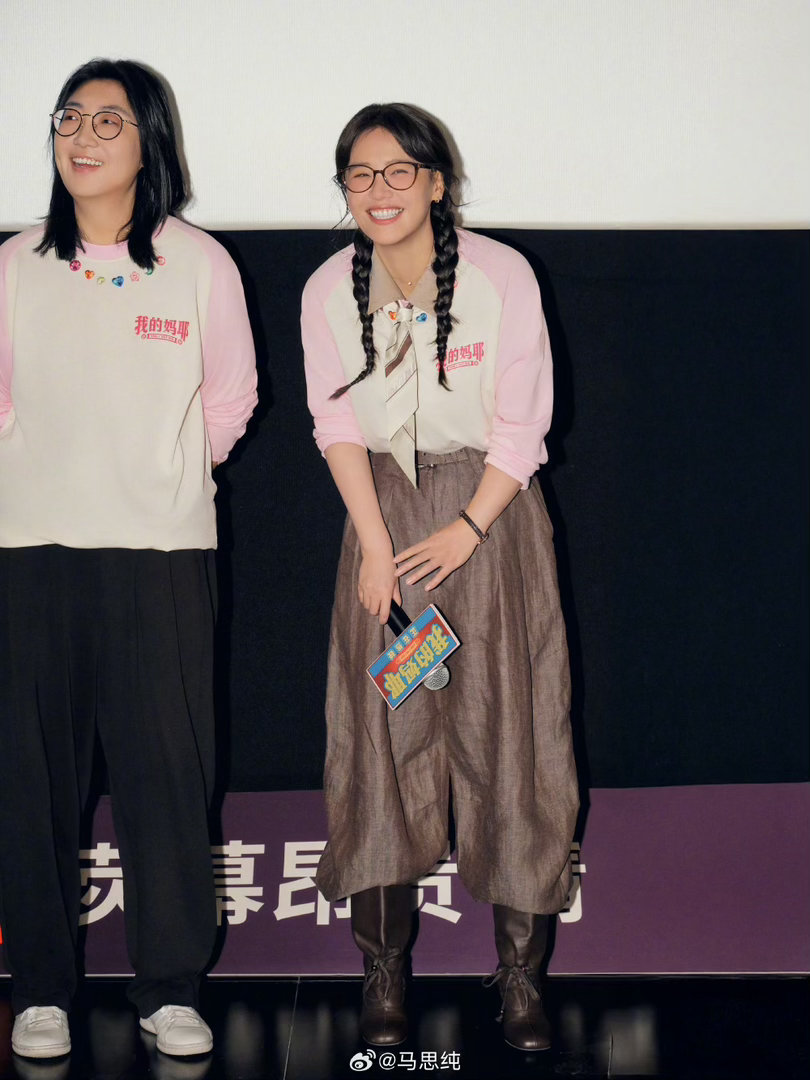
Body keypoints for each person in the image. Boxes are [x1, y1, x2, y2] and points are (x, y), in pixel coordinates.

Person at [301, 103, 579, 1052]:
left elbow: (524, 424)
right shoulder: (327, 288)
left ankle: (520, 979)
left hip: (490, 520)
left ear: (436, 182)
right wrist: (375, 545)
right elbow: (337, 426)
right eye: (360, 174)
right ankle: (383, 972)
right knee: (381, 736)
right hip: (383, 518)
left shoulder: (501, 275)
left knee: (513, 732)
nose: (378, 191)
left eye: (398, 171)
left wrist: (467, 527)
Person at [0, 59, 257, 1060]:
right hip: (31, 551)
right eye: (69, 118)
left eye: (108, 120)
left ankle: (169, 986)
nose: (83, 136)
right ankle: (41, 988)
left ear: (151, 141)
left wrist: (168, 473)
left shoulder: (198, 263)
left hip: (161, 553)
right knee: (30, 778)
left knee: (168, 773)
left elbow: (230, 396)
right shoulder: (16, 263)